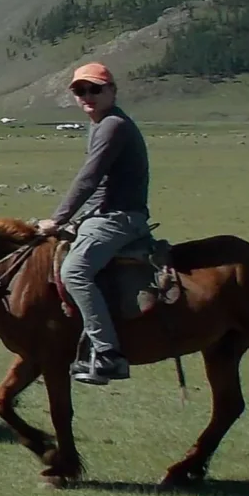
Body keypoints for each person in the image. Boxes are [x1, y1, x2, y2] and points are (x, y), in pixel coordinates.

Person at [34, 59, 150, 387]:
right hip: (102, 214)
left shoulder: (113, 125)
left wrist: (58, 219)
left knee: (74, 271)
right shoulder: (101, 123)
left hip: (119, 218)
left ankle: (108, 353)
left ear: (112, 91)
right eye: (79, 90)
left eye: (94, 89)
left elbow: (89, 178)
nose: (87, 95)